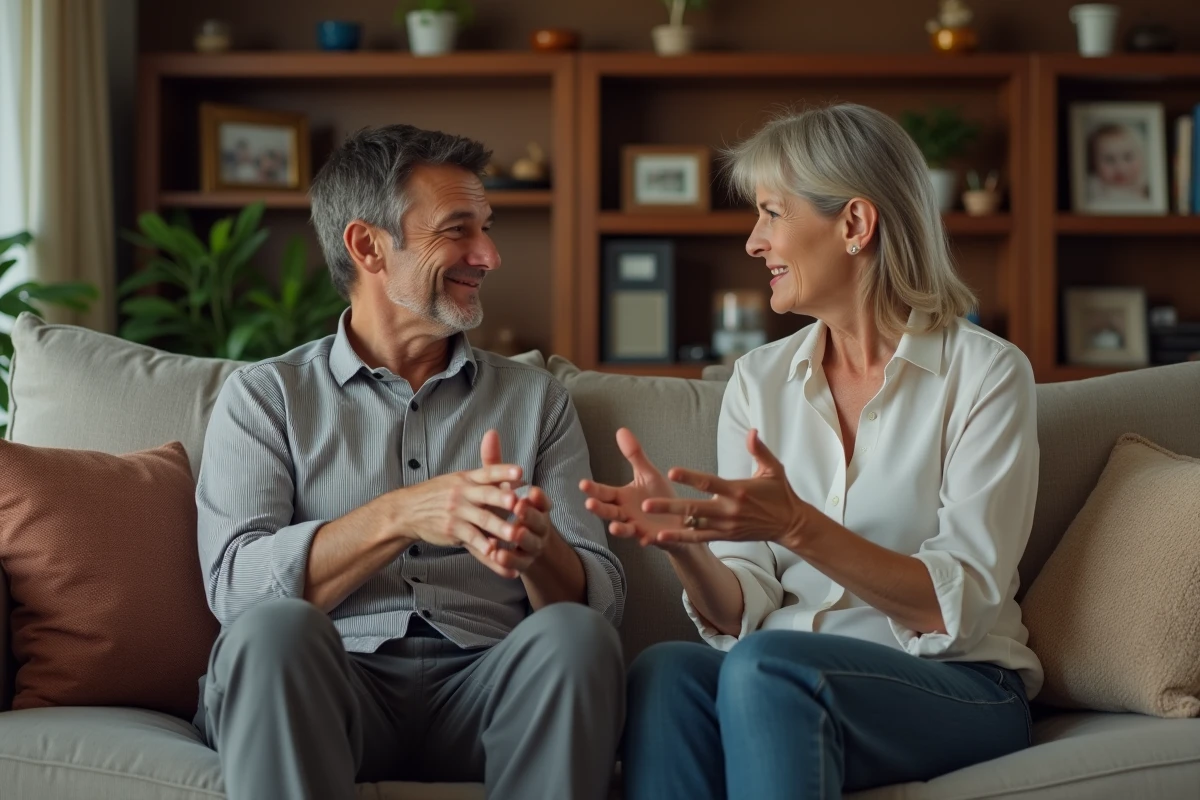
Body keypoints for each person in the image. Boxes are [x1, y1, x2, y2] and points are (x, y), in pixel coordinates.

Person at [583, 104, 1041, 800]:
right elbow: (742, 607)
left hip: (960, 686)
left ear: (854, 225)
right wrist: (684, 542)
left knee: (770, 667)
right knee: (666, 674)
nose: (753, 242)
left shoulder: (986, 374)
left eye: (771, 212)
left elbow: (960, 605)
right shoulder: (759, 381)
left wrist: (797, 525)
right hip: (777, 675)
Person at [193, 124, 626, 800]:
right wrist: (402, 515)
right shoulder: (267, 397)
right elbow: (236, 591)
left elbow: (597, 605)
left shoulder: (537, 401)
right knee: (274, 631)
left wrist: (539, 550)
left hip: (488, 687)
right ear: (368, 245)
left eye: (486, 227)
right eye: (458, 230)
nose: (488, 255)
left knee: (573, 636)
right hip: (330, 682)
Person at [1086, 122, 1150, 203]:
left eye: (1128, 157)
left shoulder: (1146, 188)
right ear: (1093, 163)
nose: (1120, 167)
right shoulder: (1095, 192)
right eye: (1109, 159)